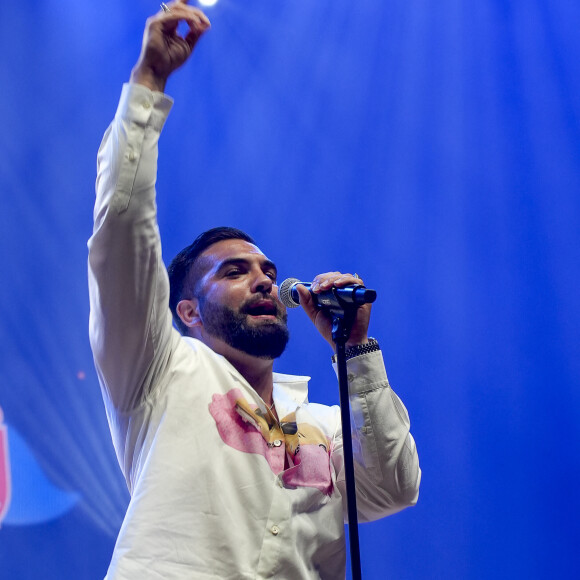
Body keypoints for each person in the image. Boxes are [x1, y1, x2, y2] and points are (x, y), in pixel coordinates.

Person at [88, 2, 421, 578]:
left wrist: (354, 352)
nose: (264, 279)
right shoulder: (158, 372)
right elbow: (121, 227)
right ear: (187, 310)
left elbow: (391, 487)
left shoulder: (325, 422)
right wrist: (149, 83)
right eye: (234, 271)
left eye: (267, 270)